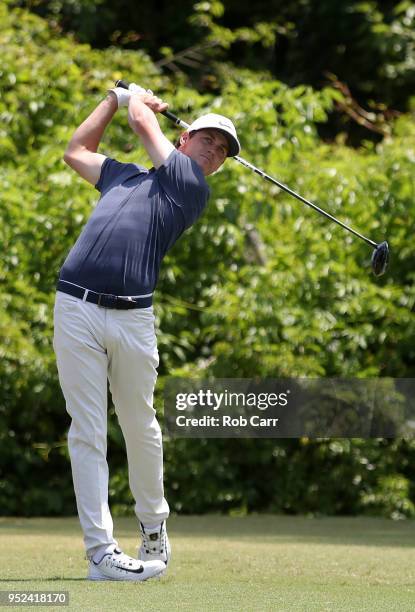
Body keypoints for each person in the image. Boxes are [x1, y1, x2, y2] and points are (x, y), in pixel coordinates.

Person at [53, 83, 241, 581]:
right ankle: (100, 553)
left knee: (140, 425)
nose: (215, 152)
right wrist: (111, 101)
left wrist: (136, 98)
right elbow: (76, 152)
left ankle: (153, 526)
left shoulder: (191, 187)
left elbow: (141, 123)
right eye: (209, 140)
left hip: (133, 317)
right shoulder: (124, 176)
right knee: (87, 431)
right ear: (185, 137)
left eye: (223, 151)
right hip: (75, 305)